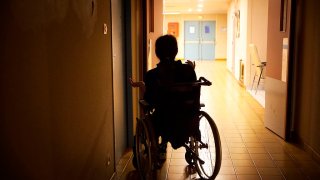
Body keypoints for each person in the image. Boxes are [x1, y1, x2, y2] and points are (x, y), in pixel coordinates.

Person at [131, 35, 199, 165]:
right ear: (176, 50)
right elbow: (191, 89)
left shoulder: (152, 75)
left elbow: (149, 101)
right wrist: (192, 70)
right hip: (187, 120)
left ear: (157, 53)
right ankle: (163, 146)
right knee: (171, 111)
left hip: (163, 122)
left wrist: (142, 86)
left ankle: (160, 146)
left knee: (153, 115)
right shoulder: (188, 70)